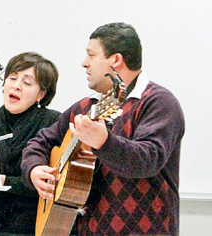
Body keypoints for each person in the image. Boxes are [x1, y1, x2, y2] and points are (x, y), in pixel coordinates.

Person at [22, 22, 184, 235]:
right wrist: (33, 168)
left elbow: (149, 160)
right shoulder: (86, 106)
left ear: (115, 60)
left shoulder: (159, 103)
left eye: (91, 55)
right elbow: (40, 142)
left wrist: (104, 142)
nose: (84, 63)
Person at [0, 52, 67, 235]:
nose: (16, 86)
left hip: (39, 226)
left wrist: (2, 181)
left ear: (41, 94)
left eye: (27, 83)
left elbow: (56, 184)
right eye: (12, 78)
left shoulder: (53, 123)